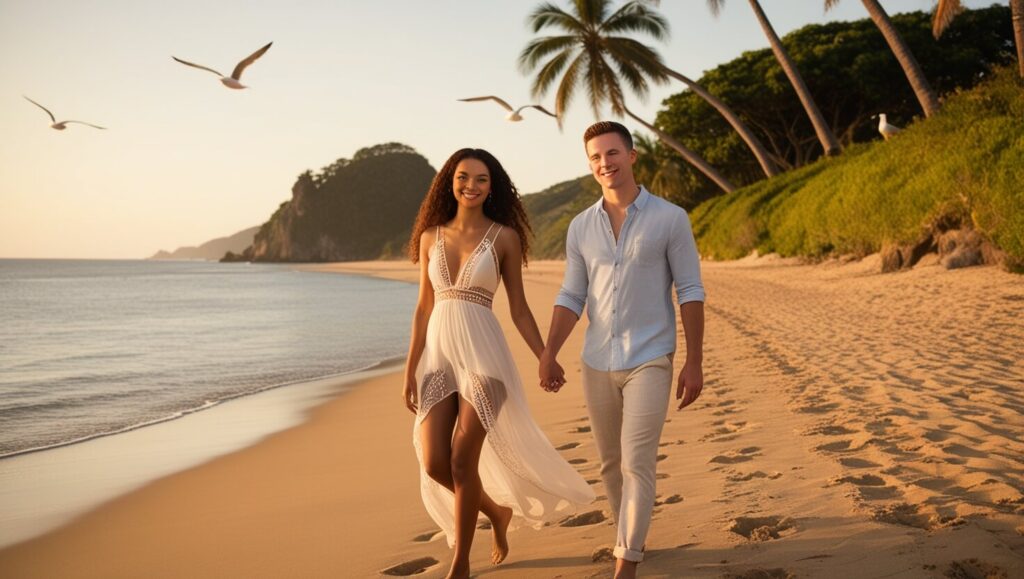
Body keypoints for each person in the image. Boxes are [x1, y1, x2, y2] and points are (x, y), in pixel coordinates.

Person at [402, 148, 594, 579]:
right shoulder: (430, 236)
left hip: (485, 359)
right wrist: (408, 371)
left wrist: (546, 355)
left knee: (461, 462)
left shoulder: (504, 237)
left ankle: (460, 563)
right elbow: (421, 309)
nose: (471, 185)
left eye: (481, 179)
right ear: (449, 181)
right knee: (434, 462)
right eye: (463, 177)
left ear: (493, 186)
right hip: (438, 358)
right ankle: (496, 511)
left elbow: (520, 309)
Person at [539, 121, 706, 579]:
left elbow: (690, 290)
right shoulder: (580, 227)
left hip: (651, 357)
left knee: (636, 460)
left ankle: (625, 564)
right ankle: (629, 538)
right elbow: (572, 295)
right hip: (596, 360)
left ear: (632, 157)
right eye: (595, 157)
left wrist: (694, 361)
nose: (604, 163)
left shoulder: (671, 218)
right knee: (610, 464)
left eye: (612, 153)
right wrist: (549, 351)